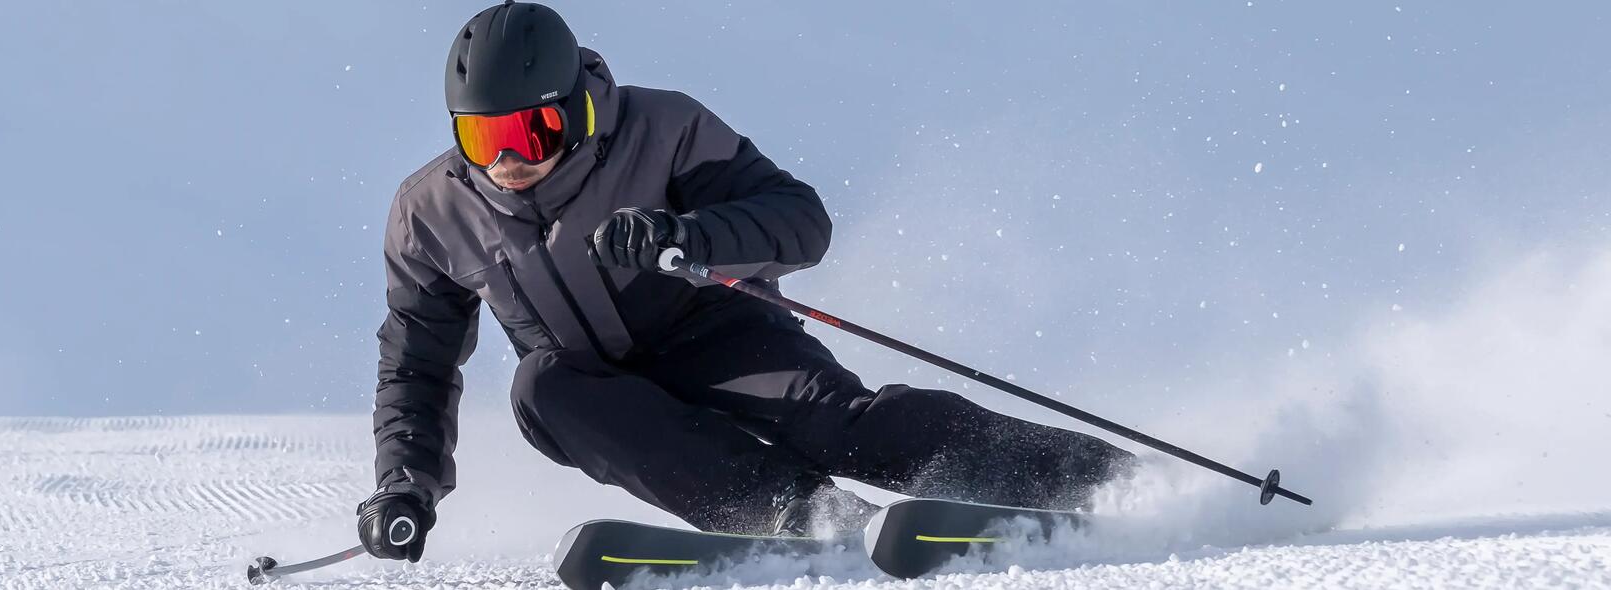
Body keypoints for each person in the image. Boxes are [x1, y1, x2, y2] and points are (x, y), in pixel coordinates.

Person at [355, 1, 1132, 562]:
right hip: (598, 387)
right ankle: (803, 514)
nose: (506, 158)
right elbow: (416, 366)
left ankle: (1096, 479)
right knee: (539, 387)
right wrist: (404, 487)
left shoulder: (662, 130)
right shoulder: (430, 215)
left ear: (577, 110)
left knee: (842, 426)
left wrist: (682, 235)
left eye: (533, 131)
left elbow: (800, 221)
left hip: (714, 330)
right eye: (480, 135)